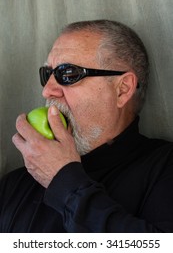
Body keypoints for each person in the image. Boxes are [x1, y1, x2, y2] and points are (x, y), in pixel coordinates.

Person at [0, 19, 173, 233]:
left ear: (122, 89)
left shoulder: (164, 168)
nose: (47, 90)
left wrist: (63, 180)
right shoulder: (16, 184)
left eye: (68, 74)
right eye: (47, 74)